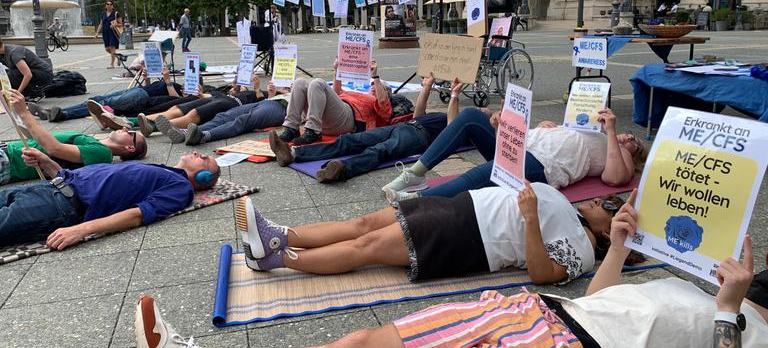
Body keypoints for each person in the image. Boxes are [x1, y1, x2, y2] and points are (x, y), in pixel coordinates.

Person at [135, 194, 768, 347]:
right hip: (543, 315)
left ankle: (281, 251)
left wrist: (729, 311)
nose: (606, 205)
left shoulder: (745, 326)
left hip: (558, 340)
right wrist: (620, 252)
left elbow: (549, 271)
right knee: (361, 340)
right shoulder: (692, 285)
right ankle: (276, 247)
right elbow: (600, 302)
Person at [235, 180, 639, 287]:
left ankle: (276, 257)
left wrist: (531, 218)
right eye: (608, 200)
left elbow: (541, 273)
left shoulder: (585, 249)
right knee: (363, 225)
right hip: (463, 208)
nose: (600, 202)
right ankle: (279, 235)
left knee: (366, 247)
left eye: (609, 208)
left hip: (470, 235)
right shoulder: (571, 210)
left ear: (609, 235)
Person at [382, 107, 646, 203]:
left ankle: (418, 200)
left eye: (634, 143)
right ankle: (415, 174)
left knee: (479, 175)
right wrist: (504, 129)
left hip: (543, 166)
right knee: (471, 116)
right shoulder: (591, 131)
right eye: (629, 135)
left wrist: (612, 133)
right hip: (521, 148)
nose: (630, 137)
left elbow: (614, 178)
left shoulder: (617, 151)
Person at [270, 76, 480, 183]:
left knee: (379, 151)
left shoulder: (465, 127)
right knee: (349, 142)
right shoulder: (450, 117)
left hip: (417, 136)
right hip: (405, 127)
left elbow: (452, 130)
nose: (483, 110)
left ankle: (342, 170)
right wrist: (426, 87)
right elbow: (418, 116)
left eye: (484, 113)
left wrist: (454, 97)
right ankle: (294, 153)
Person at [0, 149, 219, 248]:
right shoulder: (167, 172)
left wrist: (81, 229)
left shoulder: (181, 188)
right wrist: (46, 162)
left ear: (204, 177)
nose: (202, 154)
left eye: (206, 160)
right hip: (47, 188)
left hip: (59, 205)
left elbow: (138, 215)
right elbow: (72, 178)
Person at [0, 90, 147, 185]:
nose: (125, 128)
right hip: (9, 154)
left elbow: (54, 149)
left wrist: (24, 113)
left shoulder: (103, 153)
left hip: (9, 161)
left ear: (130, 147)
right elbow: (35, 138)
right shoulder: (94, 144)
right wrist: (16, 111)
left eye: (130, 133)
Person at [276, 59, 392, 145]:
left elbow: (382, 100)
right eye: (372, 85)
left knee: (318, 83)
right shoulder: (358, 94)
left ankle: (313, 132)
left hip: (347, 121)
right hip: (325, 119)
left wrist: (376, 76)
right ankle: (292, 128)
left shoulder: (377, 102)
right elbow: (337, 93)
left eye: (380, 87)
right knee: (299, 82)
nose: (373, 87)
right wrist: (337, 70)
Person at [136, 73, 270, 141]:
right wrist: (203, 94)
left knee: (194, 114)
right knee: (177, 109)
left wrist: (257, 89)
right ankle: (137, 123)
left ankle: (153, 126)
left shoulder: (261, 94)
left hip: (231, 103)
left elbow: (263, 104)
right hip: (217, 96)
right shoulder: (234, 88)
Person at [27, 68, 182, 122]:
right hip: (139, 92)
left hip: (139, 97)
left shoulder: (183, 93)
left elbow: (174, 101)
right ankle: (60, 112)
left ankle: (63, 114)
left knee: (100, 105)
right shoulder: (179, 85)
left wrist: (168, 81)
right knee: (96, 101)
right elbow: (157, 92)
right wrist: (147, 79)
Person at [162, 81, 289, 145]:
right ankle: (185, 133)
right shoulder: (281, 93)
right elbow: (265, 98)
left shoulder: (300, 94)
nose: (287, 87)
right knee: (224, 116)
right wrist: (273, 92)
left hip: (281, 109)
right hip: (269, 103)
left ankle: (204, 135)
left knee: (243, 121)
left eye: (289, 87)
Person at [94, 0, 122, 68]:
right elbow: (101, 24)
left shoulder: (116, 13)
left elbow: (121, 24)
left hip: (113, 33)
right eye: (108, 4)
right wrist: (97, 33)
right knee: (107, 49)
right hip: (105, 33)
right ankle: (118, 57)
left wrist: (115, 25)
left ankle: (112, 64)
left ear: (112, 6)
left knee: (112, 47)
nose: (109, 5)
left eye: (110, 4)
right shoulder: (103, 14)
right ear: (105, 5)